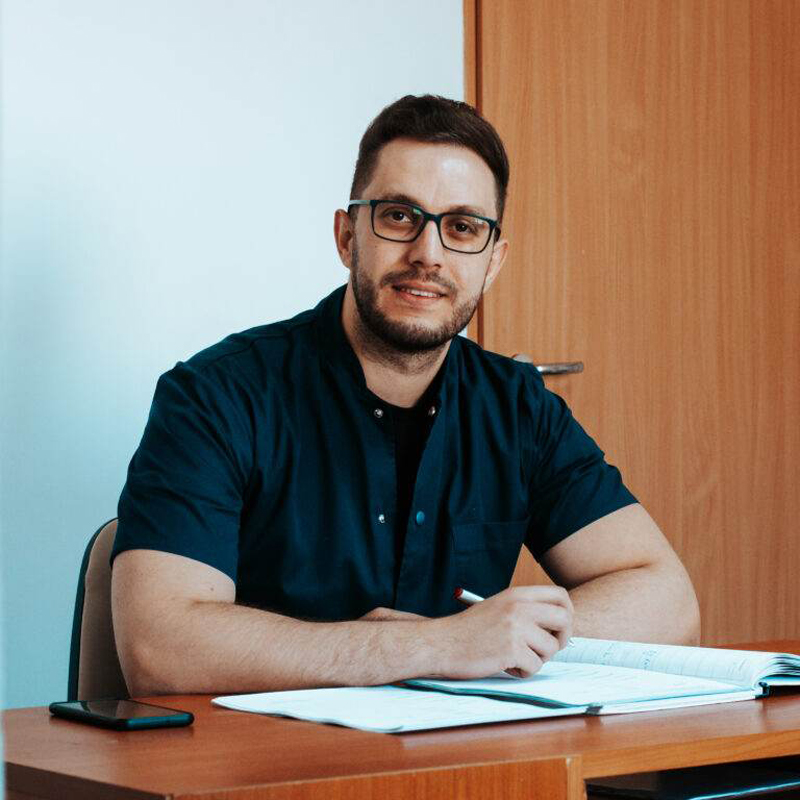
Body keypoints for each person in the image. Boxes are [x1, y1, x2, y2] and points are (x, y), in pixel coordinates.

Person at [111, 95, 699, 696]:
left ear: (493, 263)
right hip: (263, 752)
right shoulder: (215, 396)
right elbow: (158, 646)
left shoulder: (519, 409)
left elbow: (668, 600)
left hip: (458, 751)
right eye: (398, 217)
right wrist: (437, 645)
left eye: (462, 227)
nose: (428, 254)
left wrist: (516, 635)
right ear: (347, 237)